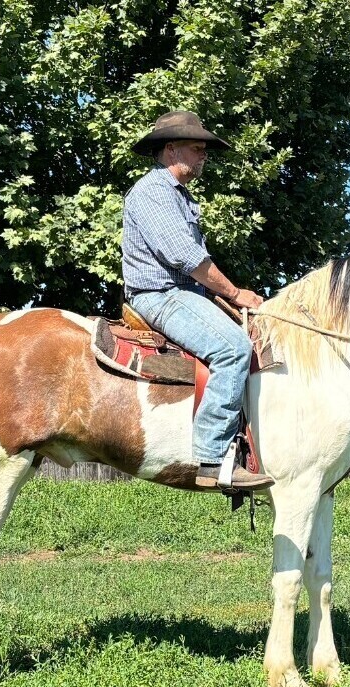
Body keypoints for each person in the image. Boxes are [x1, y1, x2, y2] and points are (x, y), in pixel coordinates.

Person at [122, 111, 273, 491]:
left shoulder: (179, 195)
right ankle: (212, 458)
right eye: (196, 148)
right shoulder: (153, 192)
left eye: (204, 149)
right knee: (233, 349)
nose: (203, 155)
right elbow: (185, 257)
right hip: (160, 295)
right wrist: (235, 293)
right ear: (171, 149)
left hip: (182, 293)